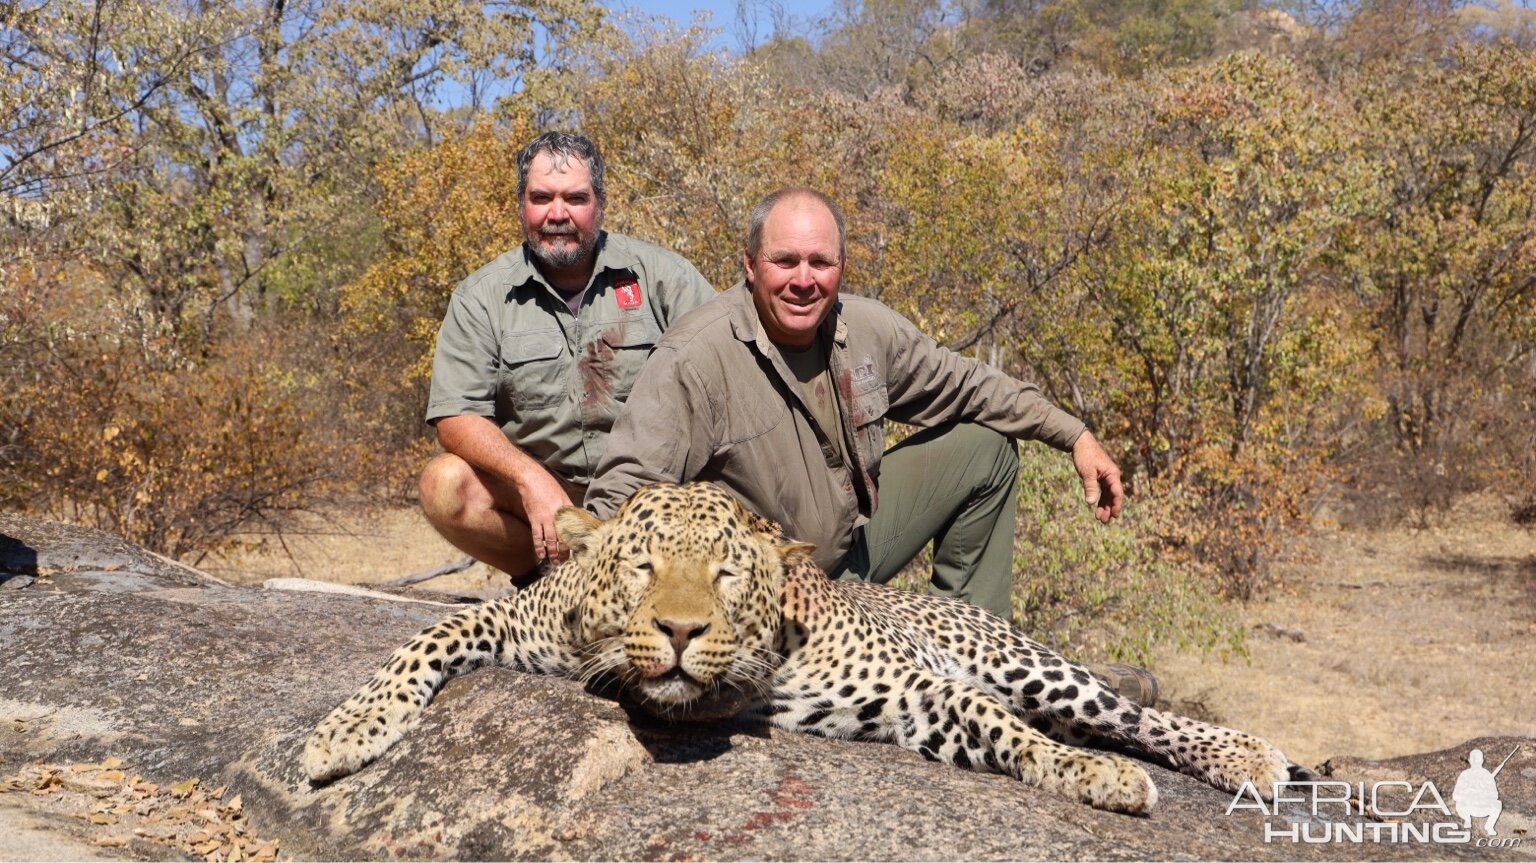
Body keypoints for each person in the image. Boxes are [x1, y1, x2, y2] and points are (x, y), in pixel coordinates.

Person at [585, 186, 1155, 703]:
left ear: (841, 266)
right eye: (784, 261)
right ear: (751, 265)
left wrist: (1074, 435)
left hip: (851, 555)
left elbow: (969, 385)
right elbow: (623, 493)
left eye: (820, 262)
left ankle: (984, 664)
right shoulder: (697, 356)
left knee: (985, 448)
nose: (803, 279)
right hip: (769, 596)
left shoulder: (866, 328)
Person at [420, 131, 716, 581]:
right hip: (548, 501)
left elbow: (726, 379)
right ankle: (550, 582)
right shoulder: (481, 297)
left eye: (575, 198)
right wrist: (529, 480)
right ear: (522, 204)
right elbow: (455, 416)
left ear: (600, 202)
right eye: (542, 198)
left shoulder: (664, 278)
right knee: (444, 485)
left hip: (656, 497)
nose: (557, 214)